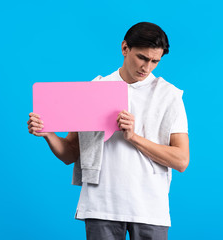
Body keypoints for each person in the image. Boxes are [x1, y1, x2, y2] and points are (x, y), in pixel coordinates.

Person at [27, 22, 189, 240]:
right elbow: (70, 154)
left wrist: (133, 138)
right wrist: (48, 134)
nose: (147, 67)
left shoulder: (169, 96)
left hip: (149, 206)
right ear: (125, 48)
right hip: (101, 204)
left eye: (155, 61)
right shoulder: (94, 89)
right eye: (142, 57)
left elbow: (181, 160)